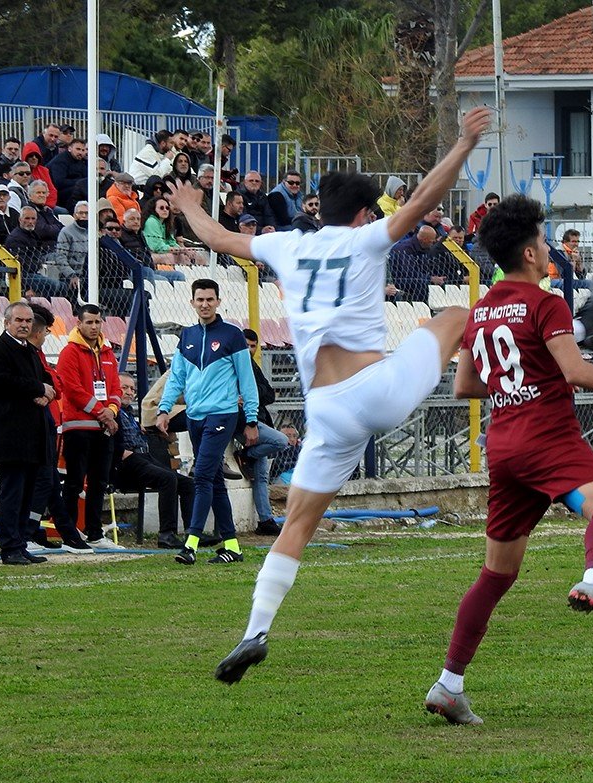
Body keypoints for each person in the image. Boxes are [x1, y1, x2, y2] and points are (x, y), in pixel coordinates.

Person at [162, 105, 492, 685]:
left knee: (296, 526)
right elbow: (419, 205)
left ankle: (254, 632)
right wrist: (463, 145)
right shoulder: (367, 240)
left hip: (327, 410)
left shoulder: (286, 245)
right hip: (379, 388)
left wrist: (189, 204)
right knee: (455, 315)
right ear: (364, 213)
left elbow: (215, 235)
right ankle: (481, 383)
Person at [422, 194, 593, 725]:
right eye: (544, 240)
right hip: (548, 435)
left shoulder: (482, 311)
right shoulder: (547, 303)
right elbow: (573, 372)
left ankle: (449, 684)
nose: (549, 249)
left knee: (496, 574)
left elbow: (464, 385)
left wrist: (512, 384)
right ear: (528, 253)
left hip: (504, 445)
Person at [154, 279, 261, 565]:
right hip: (194, 416)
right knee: (214, 481)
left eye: (209, 299)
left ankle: (190, 544)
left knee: (201, 476)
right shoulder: (187, 336)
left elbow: (246, 380)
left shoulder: (232, 335)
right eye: (199, 299)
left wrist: (251, 418)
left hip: (222, 414)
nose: (204, 304)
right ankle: (232, 546)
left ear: (218, 301)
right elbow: (176, 377)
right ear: (192, 302)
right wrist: (164, 409)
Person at [0, 302, 56, 565]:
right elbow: (3, 382)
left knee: (26, 493)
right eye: (19, 320)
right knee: (12, 492)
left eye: (27, 321)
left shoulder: (31, 352)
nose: (24, 325)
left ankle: (20, 544)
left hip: (32, 435)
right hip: (9, 435)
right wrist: (38, 388)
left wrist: (46, 393)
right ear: (7, 323)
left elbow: (48, 381)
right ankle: (9, 547)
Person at [22, 303, 94, 553]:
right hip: (36, 428)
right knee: (43, 482)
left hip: (50, 425)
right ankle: (28, 533)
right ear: (37, 331)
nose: (45, 336)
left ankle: (67, 533)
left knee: (51, 483)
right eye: (45, 331)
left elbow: (56, 384)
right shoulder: (28, 355)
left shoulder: (37, 355)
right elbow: (54, 384)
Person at [56, 304, 125, 551]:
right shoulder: (69, 352)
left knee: (99, 482)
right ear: (79, 324)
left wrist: (112, 412)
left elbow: (116, 388)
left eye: (98, 322)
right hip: (78, 427)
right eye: (89, 322)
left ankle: (94, 532)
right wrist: (102, 412)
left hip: (103, 428)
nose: (94, 327)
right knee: (74, 482)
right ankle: (69, 533)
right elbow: (72, 389)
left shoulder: (107, 353)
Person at [113, 373, 193, 549]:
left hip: (143, 457)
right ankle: (166, 534)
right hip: (127, 463)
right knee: (168, 479)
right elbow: (106, 440)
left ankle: (193, 533)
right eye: (124, 387)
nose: (129, 392)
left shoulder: (128, 413)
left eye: (132, 389)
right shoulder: (112, 411)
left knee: (187, 484)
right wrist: (122, 452)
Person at [232, 328, 289, 536]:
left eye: (253, 346)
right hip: (244, 423)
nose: (249, 349)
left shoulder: (252, 367)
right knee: (281, 441)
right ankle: (245, 454)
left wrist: (251, 396)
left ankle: (265, 520)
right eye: (246, 345)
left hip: (259, 421)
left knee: (261, 477)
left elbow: (268, 394)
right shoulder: (233, 365)